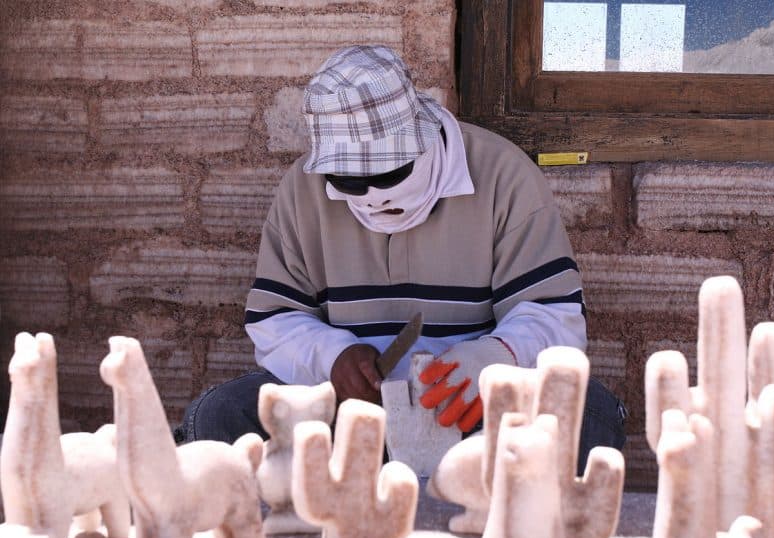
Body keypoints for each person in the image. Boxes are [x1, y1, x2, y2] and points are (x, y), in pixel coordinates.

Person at [176, 45, 625, 468]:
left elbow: (556, 319)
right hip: (350, 415)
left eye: (390, 172)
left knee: (587, 414)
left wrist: (492, 361)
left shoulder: (503, 175)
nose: (372, 196)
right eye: (351, 182)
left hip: (475, 414)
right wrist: (333, 358)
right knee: (219, 416)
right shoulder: (303, 191)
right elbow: (274, 320)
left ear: (424, 140)